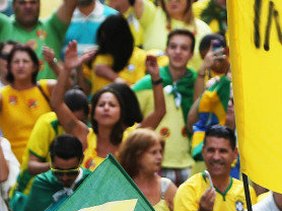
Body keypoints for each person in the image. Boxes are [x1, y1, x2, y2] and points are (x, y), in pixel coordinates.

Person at [51, 40, 165, 171]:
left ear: (121, 112)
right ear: (92, 112)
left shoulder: (132, 138)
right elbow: (57, 104)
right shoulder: (83, 134)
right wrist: (66, 68)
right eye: (101, 105)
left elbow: (159, 112)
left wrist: (155, 78)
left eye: (112, 105)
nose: (106, 108)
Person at [133, 29, 199, 185]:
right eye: (173, 47)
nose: (178, 52)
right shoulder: (147, 83)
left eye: (184, 48)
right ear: (166, 50)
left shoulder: (196, 82)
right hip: (153, 164)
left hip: (188, 164)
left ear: (191, 54)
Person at [16, 134, 89, 211]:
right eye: (58, 171)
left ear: (81, 159)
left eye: (71, 172)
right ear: (51, 159)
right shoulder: (41, 184)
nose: (64, 178)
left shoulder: (91, 181)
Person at [0, 44, 55, 161]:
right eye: (16, 62)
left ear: (35, 66)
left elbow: (69, 86)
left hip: (45, 165)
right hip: (14, 168)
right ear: (9, 67)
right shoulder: (2, 95)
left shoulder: (45, 87)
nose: (20, 65)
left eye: (25, 61)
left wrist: (53, 64)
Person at [0, 0, 78, 80]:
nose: (28, 6)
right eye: (22, 2)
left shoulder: (52, 26)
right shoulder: (3, 25)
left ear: (40, 5)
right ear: (13, 6)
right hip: (10, 92)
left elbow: (70, 3)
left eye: (33, 2)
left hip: (50, 91)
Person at [118, 128, 176, 211]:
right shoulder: (120, 187)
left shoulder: (167, 187)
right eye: (153, 152)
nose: (159, 157)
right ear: (137, 156)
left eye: (160, 152)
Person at [136, 0, 212, 69]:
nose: (173, 1)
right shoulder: (152, 15)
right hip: (153, 81)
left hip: (193, 82)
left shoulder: (204, 29)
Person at [87, 14, 147, 93]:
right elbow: (84, 89)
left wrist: (111, 75)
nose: (104, 42)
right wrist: (79, 66)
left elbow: (138, 91)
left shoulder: (140, 56)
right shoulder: (97, 56)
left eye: (109, 39)